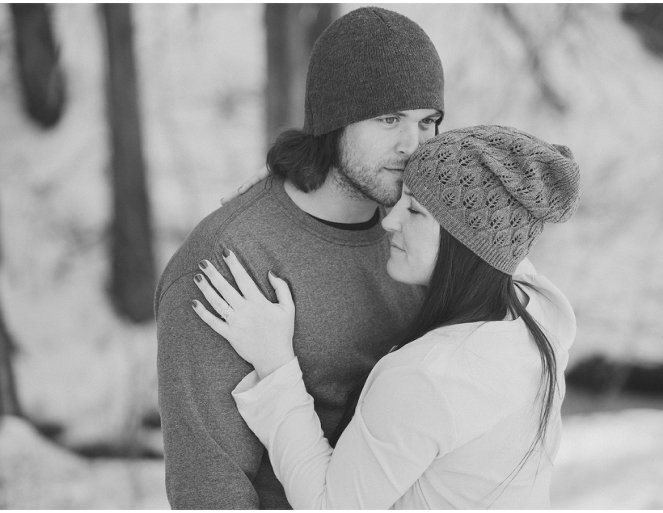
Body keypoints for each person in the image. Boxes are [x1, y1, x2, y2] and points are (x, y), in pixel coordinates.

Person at [191, 125, 581, 509]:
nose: (390, 220)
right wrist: (306, 177)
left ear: (464, 244)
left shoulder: (429, 377)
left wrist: (275, 363)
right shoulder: (540, 312)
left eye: (413, 210)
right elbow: (493, 215)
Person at [155, 6, 445, 509]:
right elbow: (210, 490)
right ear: (332, 119)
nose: (413, 145)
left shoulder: (427, 234)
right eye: (388, 118)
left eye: (427, 122)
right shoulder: (228, 261)